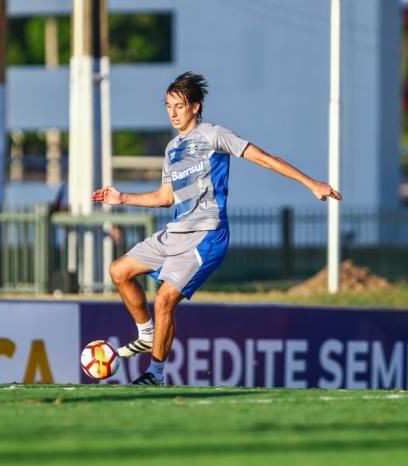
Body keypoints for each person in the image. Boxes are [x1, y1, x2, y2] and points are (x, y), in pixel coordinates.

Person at [91, 72, 342, 385]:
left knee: (164, 300)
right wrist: (123, 197)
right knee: (119, 270)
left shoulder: (214, 135)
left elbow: (263, 158)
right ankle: (145, 335)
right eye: (168, 106)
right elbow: (165, 197)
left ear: (195, 107)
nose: (172, 112)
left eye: (178, 106)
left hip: (207, 235)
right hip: (176, 232)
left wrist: (310, 183)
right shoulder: (172, 149)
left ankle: (155, 373)